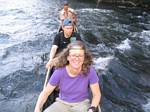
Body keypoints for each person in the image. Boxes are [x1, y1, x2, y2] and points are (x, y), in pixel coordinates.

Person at [34, 41, 101, 112]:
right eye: (73, 55)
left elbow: (96, 94)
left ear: (84, 58)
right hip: (62, 103)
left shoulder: (90, 71)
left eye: (80, 55)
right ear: (68, 57)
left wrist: (92, 109)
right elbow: (45, 93)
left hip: (82, 104)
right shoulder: (59, 72)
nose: (77, 58)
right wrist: (37, 109)